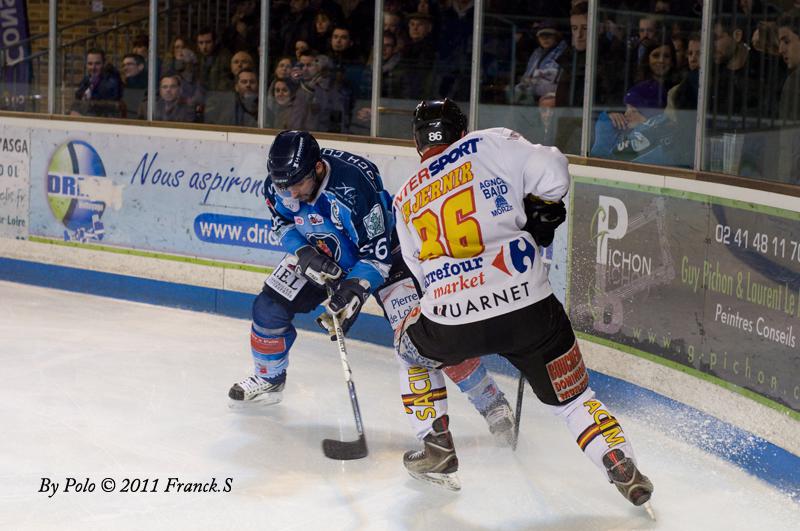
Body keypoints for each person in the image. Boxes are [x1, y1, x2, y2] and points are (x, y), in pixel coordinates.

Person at [391, 99, 654, 506]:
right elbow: (555, 170)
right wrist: (543, 209)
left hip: (452, 318)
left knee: (410, 351)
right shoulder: (490, 143)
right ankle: (618, 460)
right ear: (462, 130)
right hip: (531, 311)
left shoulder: (405, 196)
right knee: (574, 401)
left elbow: (419, 273)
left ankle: (436, 444)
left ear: (416, 142)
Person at [227, 130, 516, 445]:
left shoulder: (354, 188)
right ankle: (269, 378)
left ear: (318, 169)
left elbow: (376, 257)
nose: (291, 193)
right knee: (269, 307)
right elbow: (282, 223)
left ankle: (490, 400)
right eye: (284, 186)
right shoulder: (280, 183)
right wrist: (304, 252)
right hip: (324, 253)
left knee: (423, 339)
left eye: (298, 184)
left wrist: (352, 292)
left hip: (388, 258)